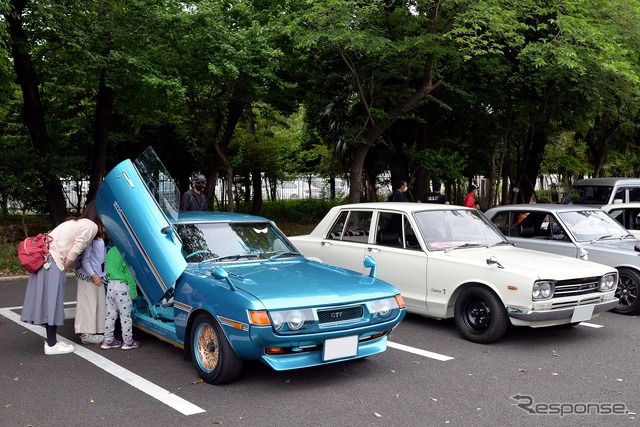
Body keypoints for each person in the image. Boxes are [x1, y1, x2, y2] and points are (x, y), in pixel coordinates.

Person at [20, 202, 99, 355]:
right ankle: (51, 345)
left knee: (46, 301)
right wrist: (66, 265)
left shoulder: (73, 222)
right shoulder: (91, 226)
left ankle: (52, 341)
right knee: (53, 303)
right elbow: (77, 247)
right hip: (53, 262)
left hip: (44, 260)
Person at [74, 211, 108, 345]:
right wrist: (94, 275)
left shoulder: (99, 235)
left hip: (97, 276)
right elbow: (85, 260)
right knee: (88, 304)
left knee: (98, 304)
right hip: (89, 276)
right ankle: (86, 334)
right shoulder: (91, 236)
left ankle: (96, 331)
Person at [101, 246, 139, 350]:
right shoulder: (125, 253)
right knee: (125, 317)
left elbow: (106, 268)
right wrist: (134, 293)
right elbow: (129, 275)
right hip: (122, 287)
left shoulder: (110, 251)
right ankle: (127, 342)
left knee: (110, 315)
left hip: (110, 286)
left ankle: (107, 340)